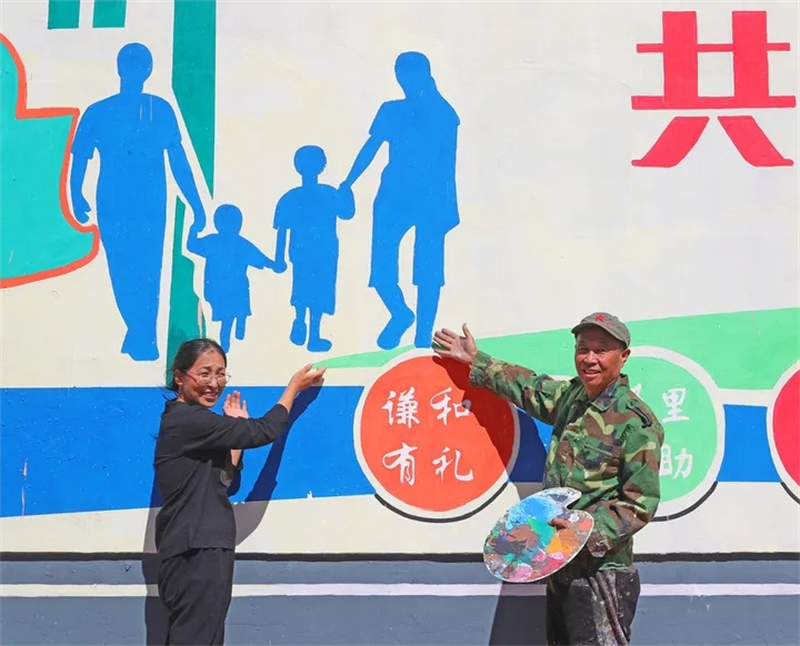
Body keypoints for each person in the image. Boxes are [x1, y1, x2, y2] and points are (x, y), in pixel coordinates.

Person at [432, 313, 664, 646]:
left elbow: (640, 503)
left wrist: (583, 531)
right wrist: (477, 360)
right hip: (559, 563)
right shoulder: (573, 398)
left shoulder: (636, 423)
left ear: (623, 356)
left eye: (601, 350)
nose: (590, 359)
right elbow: (531, 388)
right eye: (583, 349)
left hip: (601, 573)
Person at [153, 338, 325, 644]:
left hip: (200, 548)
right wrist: (293, 389)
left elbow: (225, 482)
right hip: (196, 550)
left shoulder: (192, 425)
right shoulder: (187, 420)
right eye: (204, 373)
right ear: (179, 377)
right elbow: (264, 431)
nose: (214, 383)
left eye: (220, 373)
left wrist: (234, 437)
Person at [340, 51, 460, 351]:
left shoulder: (443, 113)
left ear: (424, 74)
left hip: (431, 199)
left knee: (428, 270)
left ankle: (422, 337)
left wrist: (447, 208)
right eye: (399, 73)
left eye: (409, 73)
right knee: (382, 266)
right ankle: (400, 313)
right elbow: (371, 147)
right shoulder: (391, 111)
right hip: (393, 194)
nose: (403, 79)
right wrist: (349, 181)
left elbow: (447, 163)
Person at [273, 145, 355, 352]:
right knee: (318, 291)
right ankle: (312, 333)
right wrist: (347, 192)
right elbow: (347, 212)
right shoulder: (327, 194)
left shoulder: (291, 197)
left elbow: (282, 231)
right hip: (321, 252)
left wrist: (279, 258)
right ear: (322, 165)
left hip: (307, 252)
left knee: (306, 288)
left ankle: (302, 323)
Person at [188, 204, 273, 353]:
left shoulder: (216, 241)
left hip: (224, 288)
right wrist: (273, 264)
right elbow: (260, 259)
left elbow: (192, 245)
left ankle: (239, 322)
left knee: (230, 314)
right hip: (226, 288)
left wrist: (194, 229)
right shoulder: (235, 243)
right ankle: (236, 326)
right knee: (229, 314)